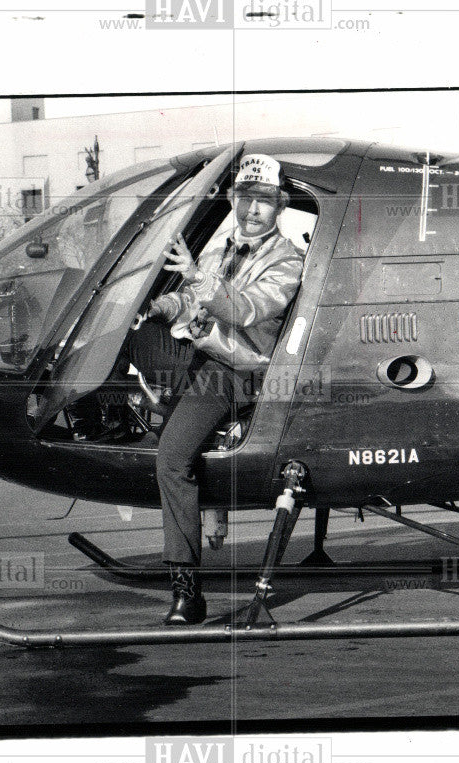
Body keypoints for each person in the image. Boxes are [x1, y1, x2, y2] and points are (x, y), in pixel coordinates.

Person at [128, 154, 304, 625]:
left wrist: (195, 277)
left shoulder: (288, 260)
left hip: (239, 370)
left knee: (171, 457)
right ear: (233, 199)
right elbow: (190, 297)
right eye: (245, 198)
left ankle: (187, 590)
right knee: (134, 340)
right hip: (203, 355)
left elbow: (245, 309)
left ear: (279, 205)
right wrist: (160, 308)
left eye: (264, 201)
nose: (252, 209)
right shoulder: (221, 245)